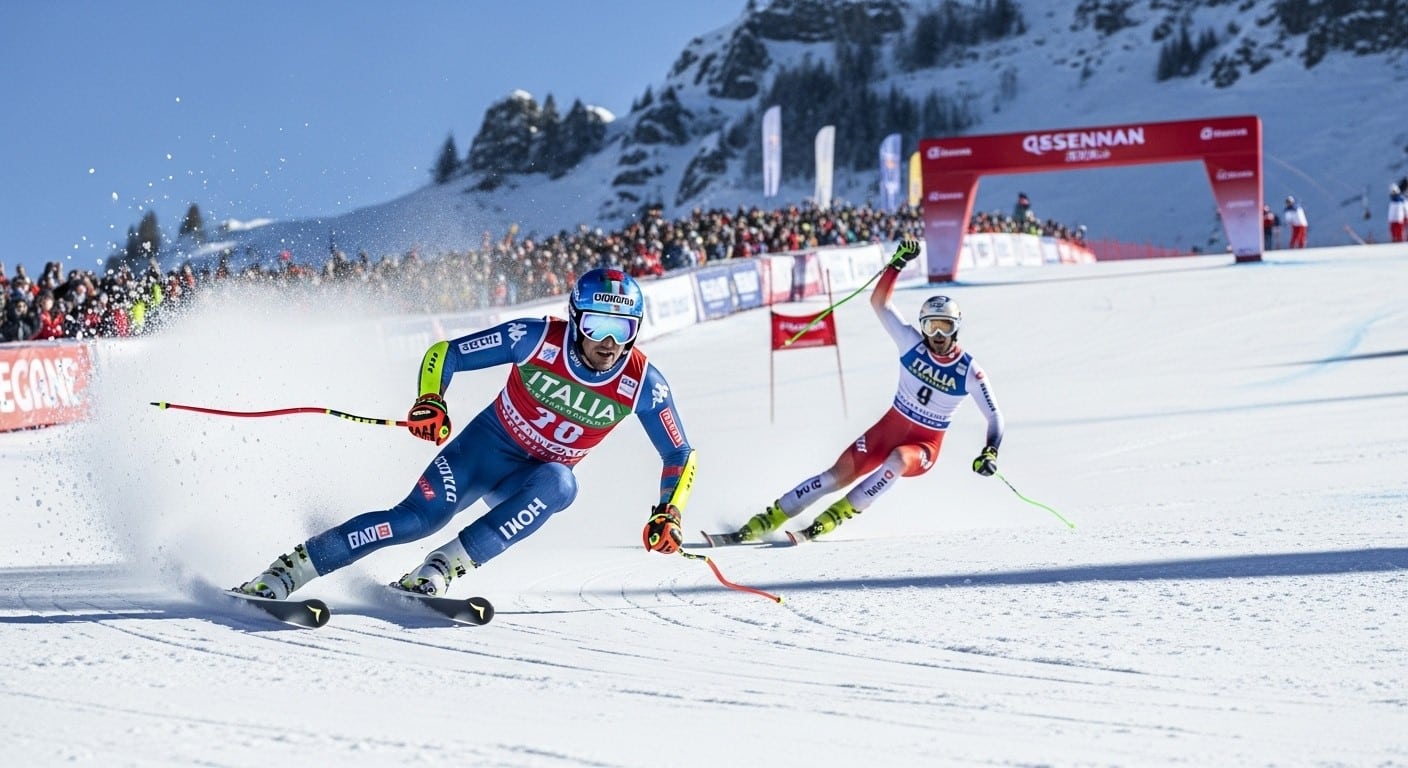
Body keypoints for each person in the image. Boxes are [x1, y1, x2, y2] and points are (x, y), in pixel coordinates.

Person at [236, 267, 697, 600]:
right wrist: (431, 399)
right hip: (482, 453)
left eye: (622, 329)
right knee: (416, 520)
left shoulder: (643, 384)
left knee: (562, 483)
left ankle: (440, 568)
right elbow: (445, 352)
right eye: (597, 325)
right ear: (576, 319)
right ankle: (286, 573)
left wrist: (669, 513)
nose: (609, 342)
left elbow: (679, 453)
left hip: (528, 481)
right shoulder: (534, 338)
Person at [731, 239, 1005, 542]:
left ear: (956, 327)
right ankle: (768, 518)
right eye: (931, 327)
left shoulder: (969, 370)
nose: (938, 335)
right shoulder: (910, 343)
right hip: (886, 430)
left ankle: (834, 517)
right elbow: (879, 303)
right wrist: (896, 265)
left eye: (945, 327)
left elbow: (995, 417)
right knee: (835, 476)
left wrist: (990, 450)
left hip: (923, 447)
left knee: (898, 460)